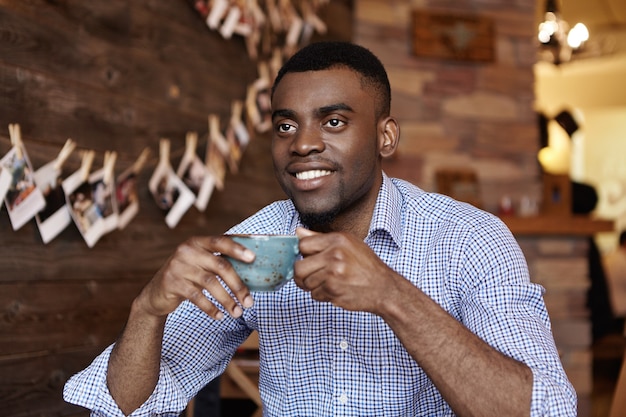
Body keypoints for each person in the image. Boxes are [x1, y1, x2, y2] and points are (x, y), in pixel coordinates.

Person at [63, 41, 576, 416]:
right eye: (286, 125)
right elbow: (128, 406)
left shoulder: (470, 239)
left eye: (333, 122)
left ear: (386, 136)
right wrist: (147, 310)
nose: (302, 144)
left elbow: (545, 411)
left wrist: (390, 294)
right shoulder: (257, 245)